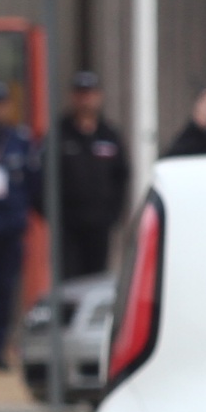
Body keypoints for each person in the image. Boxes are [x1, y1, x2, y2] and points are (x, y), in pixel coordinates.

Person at [0, 80, 39, 371]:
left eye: (0, 104)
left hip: (10, 229)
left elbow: (33, 184)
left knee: (5, 292)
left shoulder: (19, 141)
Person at [54, 70, 129, 280]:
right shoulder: (60, 134)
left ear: (99, 96)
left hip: (100, 225)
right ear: (73, 97)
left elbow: (122, 175)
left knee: (96, 280)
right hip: (68, 227)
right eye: (81, 93)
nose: (85, 99)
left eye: (89, 93)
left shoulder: (109, 135)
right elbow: (44, 177)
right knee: (69, 280)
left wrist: (114, 214)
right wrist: (54, 214)